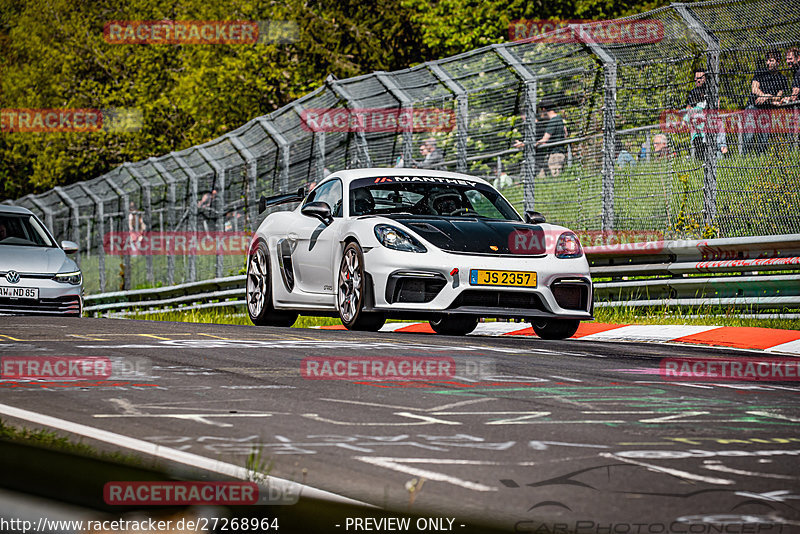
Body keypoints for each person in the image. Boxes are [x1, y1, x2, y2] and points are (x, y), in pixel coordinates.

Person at [744, 50, 789, 154]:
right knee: (749, 135)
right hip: (753, 106)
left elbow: (778, 97)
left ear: (778, 62)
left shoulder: (782, 78)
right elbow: (754, 89)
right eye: (767, 60)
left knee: (764, 137)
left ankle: (760, 158)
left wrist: (768, 98)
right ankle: (745, 157)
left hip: (767, 108)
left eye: (771, 60)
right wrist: (765, 95)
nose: (768, 63)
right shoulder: (760, 72)